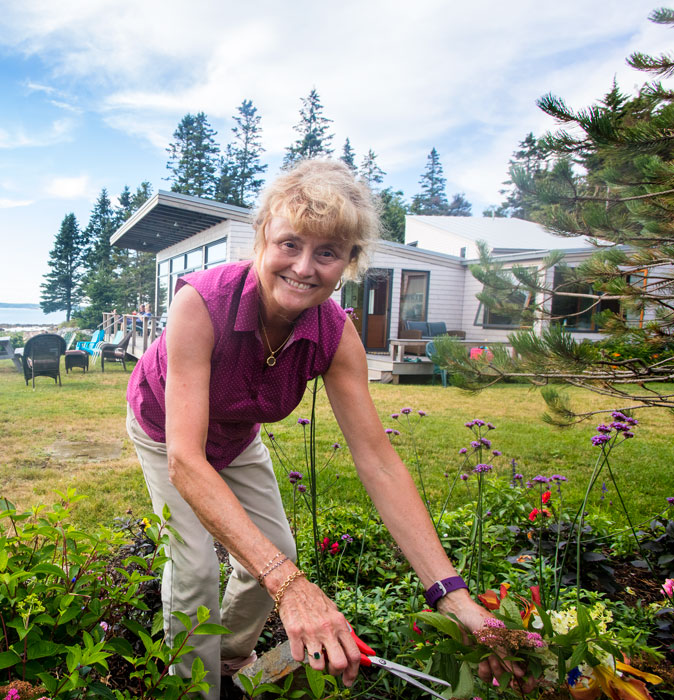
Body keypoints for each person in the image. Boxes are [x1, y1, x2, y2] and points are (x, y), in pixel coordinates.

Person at [125, 159, 527, 699]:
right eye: (290, 244)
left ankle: (226, 659)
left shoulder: (335, 337)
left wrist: (451, 594)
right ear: (262, 236)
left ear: (349, 263)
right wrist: (290, 586)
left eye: (328, 252)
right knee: (195, 567)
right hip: (166, 433)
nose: (304, 267)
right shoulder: (201, 304)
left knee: (276, 548)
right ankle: (193, 690)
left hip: (237, 435)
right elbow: (185, 459)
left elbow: (378, 462)